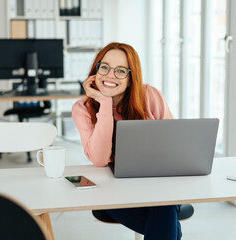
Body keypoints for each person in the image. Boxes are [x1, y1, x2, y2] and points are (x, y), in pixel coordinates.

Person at [72, 42, 182, 239]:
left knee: (164, 203)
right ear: (95, 71)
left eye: (121, 71)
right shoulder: (82, 108)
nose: (110, 75)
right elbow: (99, 159)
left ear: (131, 79)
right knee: (167, 215)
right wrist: (104, 103)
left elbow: (173, 141)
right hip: (111, 189)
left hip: (155, 183)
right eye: (104, 67)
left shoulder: (149, 95)